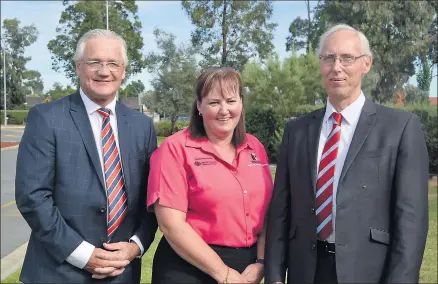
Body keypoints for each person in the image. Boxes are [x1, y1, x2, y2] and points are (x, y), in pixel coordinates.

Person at [264, 24, 429, 284]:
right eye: (329, 58)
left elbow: (411, 221)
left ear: (366, 64)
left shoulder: (400, 128)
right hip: (307, 271)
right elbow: (280, 211)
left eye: (347, 58)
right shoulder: (296, 131)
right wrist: (274, 276)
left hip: (369, 271)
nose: (336, 67)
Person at [15, 29, 158, 283]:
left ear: (123, 71)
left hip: (122, 273)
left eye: (113, 63)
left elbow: (152, 200)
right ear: (78, 67)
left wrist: (136, 246)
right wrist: (83, 254)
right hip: (58, 272)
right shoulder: (46, 118)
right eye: (94, 62)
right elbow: (33, 197)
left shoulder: (142, 126)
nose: (104, 71)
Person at [146, 67, 273, 283]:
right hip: (189, 268)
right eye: (214, 102)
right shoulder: (175, 149)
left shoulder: (255, 147)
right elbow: (171, 225)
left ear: (241, 103)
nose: (224, 110)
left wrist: (261, 262)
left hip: (247, 270)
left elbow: (268, 213)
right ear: (199, 106)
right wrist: (223, 274)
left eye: (231, 101)